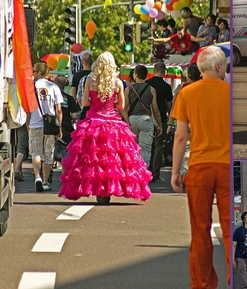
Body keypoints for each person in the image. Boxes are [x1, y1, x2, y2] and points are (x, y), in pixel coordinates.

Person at [170, 46, 231, 289]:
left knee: (200, 231)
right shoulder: (231, 92)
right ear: (218, 67)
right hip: (229, 168)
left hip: (199, 168)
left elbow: (181, 135)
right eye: (225, 64)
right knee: (232, 229)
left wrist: (175, 171)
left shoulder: (187, 93)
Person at [60, 51, 152, 205]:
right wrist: (111, 105)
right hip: (112, 121)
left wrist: (97, 103)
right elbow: (122, 106)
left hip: (94, 119)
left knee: (93, 158)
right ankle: (110, 188)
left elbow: (86, 103)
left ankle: (98, 189)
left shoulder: (90, 80)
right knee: (113, 159)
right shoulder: (117, 83)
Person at [23, 62, 62, 192]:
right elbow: (58, 110)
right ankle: (45, 182)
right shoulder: (54, 87)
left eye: (34, 71)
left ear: (39, 73)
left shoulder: (31, 88)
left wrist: (28, 123)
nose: (32, 73)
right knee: (48, 154)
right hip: (50, 126)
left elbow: (28, 109)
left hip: (35, 124)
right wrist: (59, 127)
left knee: (36, 152)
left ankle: (37, 177)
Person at [124, 65, 161, 170]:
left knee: (132, 148)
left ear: (135, 75)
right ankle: (143, 171)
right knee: (145, 149)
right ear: (146, 76)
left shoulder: (128, 90)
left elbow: (124, 108)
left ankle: (133, 171)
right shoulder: (151, 89)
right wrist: (159, 124)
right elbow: (155, 110)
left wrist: (127, 122)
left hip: (132, 120)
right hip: (146, 120)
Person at [146, 61, 174, 182]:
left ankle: (147, 171)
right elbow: (169, 105)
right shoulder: (166, 87)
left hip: (147, 118)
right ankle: (155, 173)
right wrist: (169, 118)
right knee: (159, 147)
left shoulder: (147, 84)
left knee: (148, 146)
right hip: (161, 118)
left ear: (153, 71)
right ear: (164, 72)